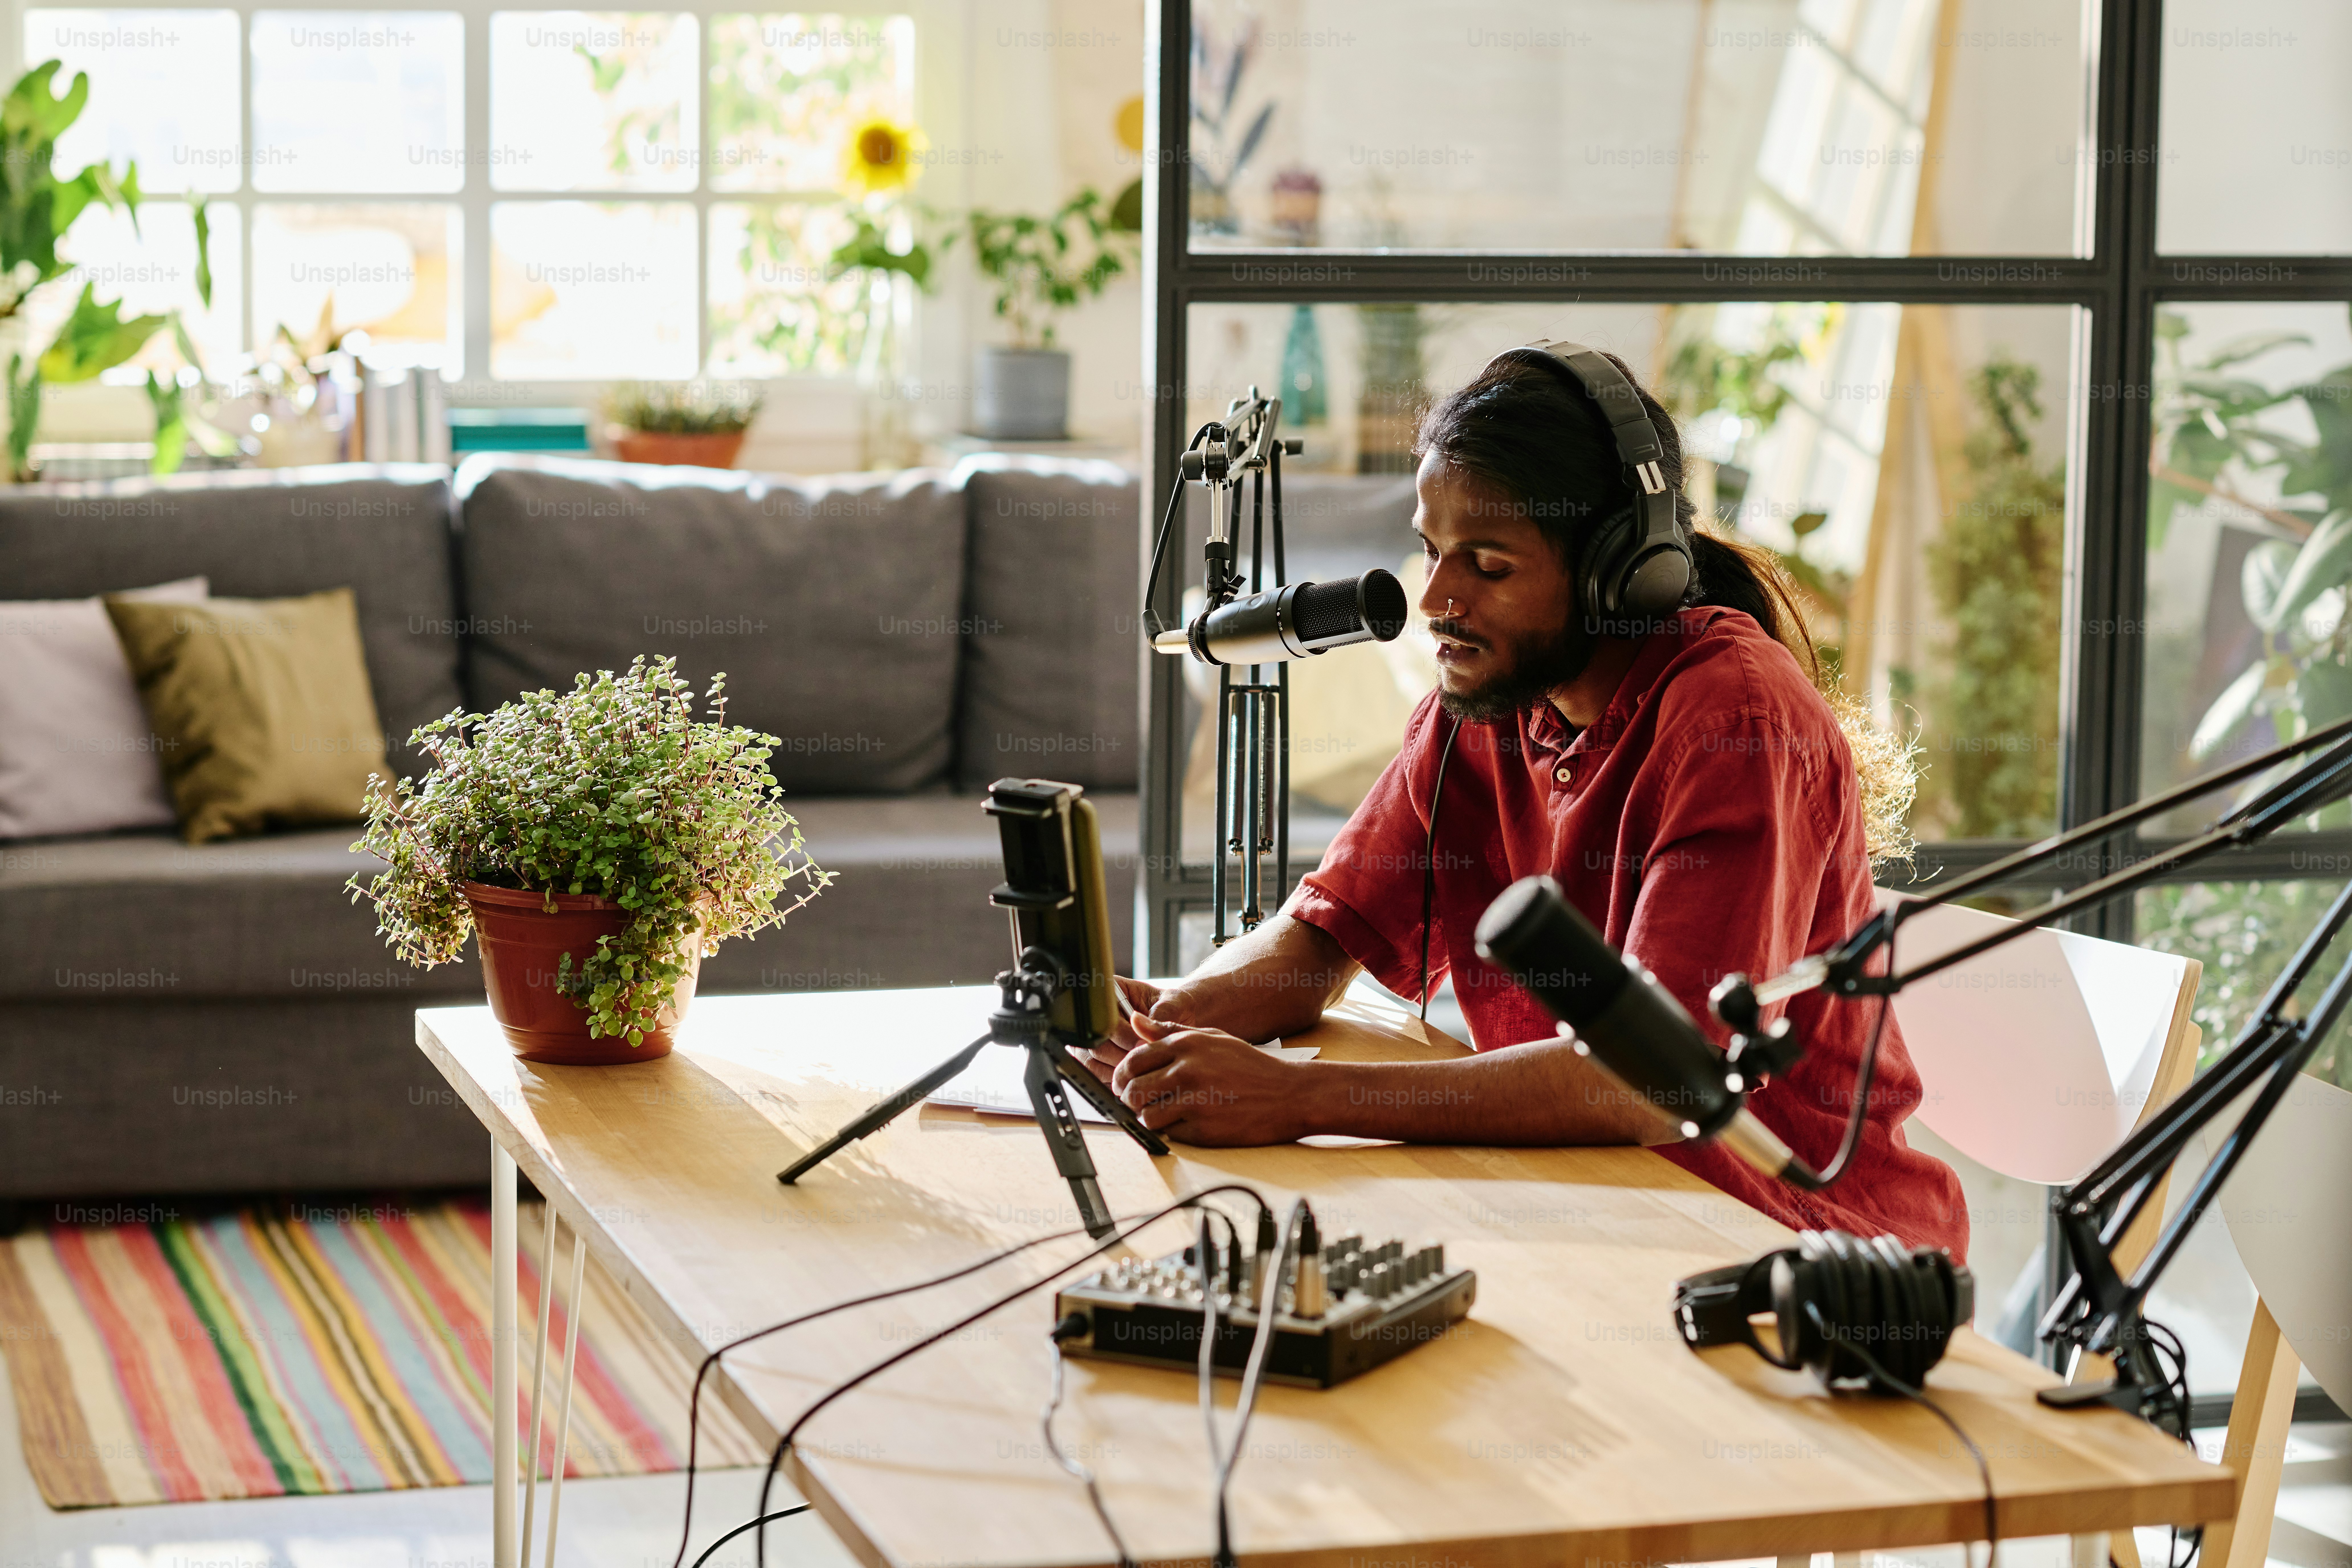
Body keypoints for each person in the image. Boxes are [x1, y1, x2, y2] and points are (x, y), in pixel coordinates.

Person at [1095, 343, 1967, 1256]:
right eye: (1432, 551)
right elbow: (1328, 935)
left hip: (1793, 1244)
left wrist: (1300, 1098)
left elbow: (1653, 1081)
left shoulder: (1737, 720)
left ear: (1615, 569)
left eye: (1488, 565)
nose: (1436, 599)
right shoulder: (1486, 703)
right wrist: (1164, 1025)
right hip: (1585, 1201)